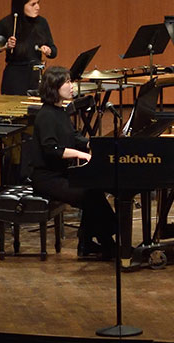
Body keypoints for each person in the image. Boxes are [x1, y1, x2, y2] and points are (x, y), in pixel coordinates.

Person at [25, 67, 118, 258]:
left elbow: (74, 136)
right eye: (67, 82)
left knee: (94, 189)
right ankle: (103, 243)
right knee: (89, 195)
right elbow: (52, 150)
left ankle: (91, 243)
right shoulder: (46, 116)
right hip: (46, 178)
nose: (72, 86)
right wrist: (82, 155)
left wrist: (94, 144)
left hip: (60, 174)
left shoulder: (60, 111)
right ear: (54, 88)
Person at [0, 0, 56, 96]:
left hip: (36, 76)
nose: (37, 7)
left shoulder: (42, 22)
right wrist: (5, 46)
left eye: (38, 3)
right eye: (32, 4)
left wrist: (49, 51)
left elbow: (53, 50)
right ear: (20, 6)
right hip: (15, 78)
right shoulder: (7, 23)